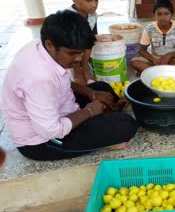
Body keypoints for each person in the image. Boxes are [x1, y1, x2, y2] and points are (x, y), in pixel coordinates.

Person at [1, 10, 139, 161]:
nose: (79, 59)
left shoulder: (43, 46)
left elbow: (62, 82)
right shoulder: (38, 78)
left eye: (80, 53)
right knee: (126, 125)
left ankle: (101, 122)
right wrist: (89, 111)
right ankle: (101, 139)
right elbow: (52, 131)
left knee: (101, 88)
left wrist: (91, 93)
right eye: (72, 53)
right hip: (42, 141)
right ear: (50, 45)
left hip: (58, 110)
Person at [130, 0, 175, 75]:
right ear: (154, 15)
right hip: (155, 59)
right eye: (159, 14)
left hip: (173, 59)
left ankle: (152, 72)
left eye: (166, 14)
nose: (163, 18)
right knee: (134, 62)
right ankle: (167, 72)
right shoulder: (149, 29)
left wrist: (169, 55)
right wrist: (153, 60)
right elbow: (142, 50)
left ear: (171, 15)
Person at [67, 0, 98, 85]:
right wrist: (77, 73)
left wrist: (85, 69)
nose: (94, 5)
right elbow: (71, 47)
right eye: (89, 0)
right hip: (67, 55)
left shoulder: (93, 16)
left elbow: (90, 42)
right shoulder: (68, 18)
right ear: (75, 0)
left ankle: (84, 69)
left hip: (79, 55)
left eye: (96, 0)